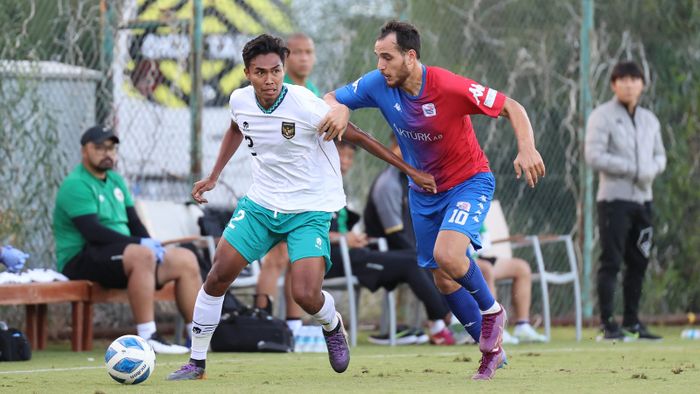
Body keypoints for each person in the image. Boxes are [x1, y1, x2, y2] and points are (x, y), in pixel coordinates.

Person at [167, 34, 436, 380]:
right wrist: (214, 175)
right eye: (261, 72)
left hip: (309, 208)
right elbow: (237, 125)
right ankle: (196, 362)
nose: (270, 80)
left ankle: (331, 323)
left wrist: (411, 170)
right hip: (262, 204)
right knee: (218, 274)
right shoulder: (240, 100)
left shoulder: (305, 104)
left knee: (306, 294)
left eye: (276, 71)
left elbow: (357, 136)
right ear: (247, 73)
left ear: (283, 69)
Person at [321, 20, 545, 380]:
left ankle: (492, 311)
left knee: (449, 255)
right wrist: (340, 108)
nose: (380, 65)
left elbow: (512, 107)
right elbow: (329, 99)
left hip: (468, 182)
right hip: (424, 193)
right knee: (443, 280)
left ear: (410, 57)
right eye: (377, 57)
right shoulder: (379, 83)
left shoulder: (447, 85)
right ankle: (492, 354)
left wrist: (527, 147)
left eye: (387, 57)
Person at [53, 126, 201, 354]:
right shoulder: (76, 184)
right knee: (142, 255)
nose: (107, 153)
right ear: (84, 151)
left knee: (184, 258)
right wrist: (141, 245)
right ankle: (148, 336)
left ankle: (198, 338)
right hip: (82, 257)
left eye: (111, 148)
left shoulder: (115, 180)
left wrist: (152, 244)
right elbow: (93, 232)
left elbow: (134, 222)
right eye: (100, 148)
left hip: (122, 255)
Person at [328, 141, 455, 346]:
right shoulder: (317, 188)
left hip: (356, 254)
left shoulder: (336, 187)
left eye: (349, 157)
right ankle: (444, 321)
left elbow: (340, 229)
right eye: (340, 155)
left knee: (418, 258)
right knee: (413, 261)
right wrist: (344, 239)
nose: (344, 162)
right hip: (332, 260)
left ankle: (444, 320)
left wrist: (355, 238)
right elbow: (306, 234)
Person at [585, 60, 666, 341]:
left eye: (635, 79)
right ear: (613, 84)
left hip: (644, 200)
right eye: (623, 79)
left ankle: (632, 321)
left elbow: (660, 156)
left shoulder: (649, 120)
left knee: (640, 261)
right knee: (611, 261)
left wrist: (650, 170)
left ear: (643, 84)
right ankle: (608, 324)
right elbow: (594, 156)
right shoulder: (602, 116)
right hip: (614, 200)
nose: (629, 84)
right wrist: (631, 168)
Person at [473, 226, 547, 344]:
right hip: (462, 258)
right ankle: (492, 329)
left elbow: (484, 237)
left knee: (522, 268)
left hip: (477, 256)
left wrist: (480, 244)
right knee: (487, 270)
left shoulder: (476, 208)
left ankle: (522, 326)